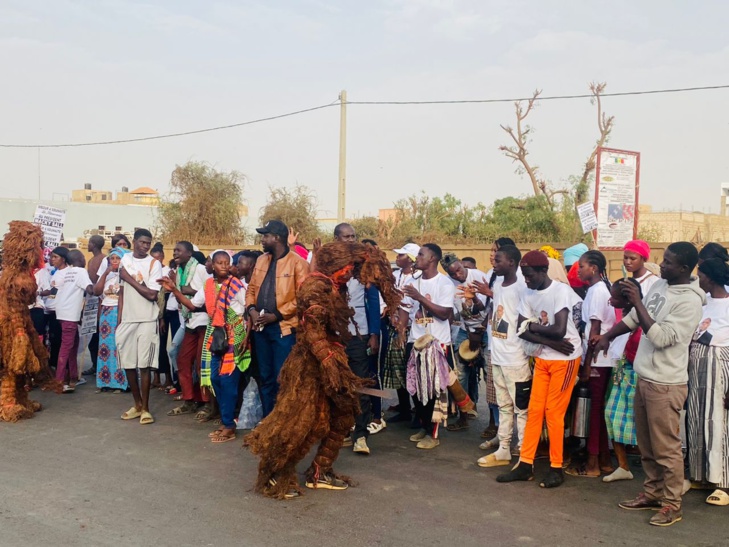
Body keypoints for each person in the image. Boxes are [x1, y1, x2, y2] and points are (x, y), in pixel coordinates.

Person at [245, 241, 400, 499]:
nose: (350, 272)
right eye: (348, 267)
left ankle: (320, 471)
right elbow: (314, 329)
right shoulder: (316, 287)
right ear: (335, 265)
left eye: (352, 267)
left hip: (329, 362)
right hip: (310, 367)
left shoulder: (332, 285)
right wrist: (330, 362)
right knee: (301, 422)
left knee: (343, 414)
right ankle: (274, 473)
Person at [593, 242, 704, 527]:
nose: (662, 265)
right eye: (663, 259)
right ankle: (653, 493)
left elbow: (662, 337)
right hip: (644, 377)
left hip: (666, 384)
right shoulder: (661, 286)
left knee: (666, 448)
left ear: (683, 268)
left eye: (668, 262)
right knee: (647, 445)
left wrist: (639, 302)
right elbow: (632, 320)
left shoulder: (690, 301)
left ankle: (671, 504)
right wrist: (607, 336)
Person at [496, 250, 582, 488]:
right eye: (524, 275)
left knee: (553, 413)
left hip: (565, 360)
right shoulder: (527, 292)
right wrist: (547, 340)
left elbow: (560, 330)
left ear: (543, 271)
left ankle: (556, 467)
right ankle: (525, 464)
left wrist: (534, 327)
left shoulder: (560, 291)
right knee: (534, 411)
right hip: (544, 355)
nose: (527, 280)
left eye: (530, 275)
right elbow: (521, 330)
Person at [161, 250, 250, 443]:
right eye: (219, 262)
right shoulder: (208, 285)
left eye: (227, 262)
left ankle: (229, 426)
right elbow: (193, 306)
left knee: (228, 382)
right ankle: (225, 421)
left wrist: (245, 337)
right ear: (213, 266)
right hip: (216, 336)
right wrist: (174, 290)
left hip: (234, 337)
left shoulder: (237, 285)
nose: (224, 266)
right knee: (215, 379)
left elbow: (248, 310)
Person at [246, 220, 309, 417]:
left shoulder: (299, 263)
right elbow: (251, 289)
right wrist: (252, 310)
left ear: (277, 238)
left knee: (283, 378)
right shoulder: (261, 260)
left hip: (284, 329)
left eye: (266, 236)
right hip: (261, 329)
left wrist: (278, 315)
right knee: (265, 377)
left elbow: (303, 298)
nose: (262, 240)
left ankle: (283, 423)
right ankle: (268, 421)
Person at [398, 243, 456, 450]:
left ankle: (434, 433)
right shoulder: (414, 282)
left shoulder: (444, 284)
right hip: (416, 340)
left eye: (421, 254)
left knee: (434, 391)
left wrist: (420, 298)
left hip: (436, 343)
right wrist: (401, 330)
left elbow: (444, 313)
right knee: (415, 387)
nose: (418, 258)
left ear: (433, 258)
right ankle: (423, 425)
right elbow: (405, 308)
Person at [477, 245, 530, 468]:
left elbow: (527, 320)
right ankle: (504, 449)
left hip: (516, 358)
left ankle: (525, 452)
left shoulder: (522, 287)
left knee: (522, 409)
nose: (494, 263)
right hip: (497, 355)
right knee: (504, 406)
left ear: (512, 262)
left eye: (498, 260)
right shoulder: (498, 284)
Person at [566, 250, 616, 478]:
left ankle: (593, 463)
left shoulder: (597, 292)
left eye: (582, 266)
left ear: (594, 268)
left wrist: (586, 366)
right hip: (599, 358)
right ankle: (604, 459)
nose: (578, 270)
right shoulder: (597, 289)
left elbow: (594, 331)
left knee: (594, 410)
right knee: (598, 410)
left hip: (597, 359)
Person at [333, 223, 380, 455]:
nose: (351, 240)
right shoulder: (328, 264)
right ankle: (340, 429)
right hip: (334, 335)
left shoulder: (365, 266)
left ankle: (361, 435)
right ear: (336, 238)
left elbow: (373, 302)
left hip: (359, 335)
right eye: (346, 236)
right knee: (337, 384)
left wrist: (374, 334)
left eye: (354, 236)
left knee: (361, 383)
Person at [686, 258, 729, 506]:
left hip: (719, 368)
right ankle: (701, 475)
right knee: (696, 420)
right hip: (698, 366)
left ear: (710, 278)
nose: (697, 279)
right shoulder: (703, 302)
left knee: (718, 424)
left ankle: (722, 481)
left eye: (700, 275)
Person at [117, 229, 163, 425]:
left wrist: (129, 278)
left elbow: (152, 295)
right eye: (142, 242)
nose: (145, 246)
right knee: (128, 364)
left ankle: (146, 408)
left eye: (148, 243)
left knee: (144, 365)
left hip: (146, 318)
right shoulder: (125, 260)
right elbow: (121, 292)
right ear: (134, 242)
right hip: (128, 319)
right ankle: (136, 404)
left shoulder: (154, 264)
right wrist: (120, 320)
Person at [441, 253, 489, 431]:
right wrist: (468, 333)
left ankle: (493, 423)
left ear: (461, 264)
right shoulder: (447, 283)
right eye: (453, 274)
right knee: (459, 375)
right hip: (464, 330)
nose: (458, 276)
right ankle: (464, 415)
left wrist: (479, 331)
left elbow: (487, 308)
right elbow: (456, 314)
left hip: (484, 329)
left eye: (459, 270)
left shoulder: (480, 276)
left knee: (488, 374)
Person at [602, 279, 643, 483]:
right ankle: (623, 466)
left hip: (639, 374)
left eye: (615, 297)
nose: (610, 300)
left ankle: (661, 472)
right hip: (622, 371)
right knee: (612, 414)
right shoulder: (624, 316)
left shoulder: (643, 317)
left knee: (645, 424)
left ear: (627, 300)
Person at [167, 241, 212, 419]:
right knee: (183, 360)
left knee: (202, 364)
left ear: (189, 253)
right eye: (175, 250)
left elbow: (209, 293)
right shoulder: (179, 271)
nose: (175, 253)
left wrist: (189, 292)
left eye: (179, 250)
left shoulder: (200, 269)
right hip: (189, 321)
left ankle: (207, 403)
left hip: (203, 320)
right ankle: (189, 399)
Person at [383, 243, 419, 423]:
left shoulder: (418, 277)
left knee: (410, 371)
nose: (397, 258)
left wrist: (402, 323)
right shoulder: (394, 276)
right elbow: (386, 297)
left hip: (411, 329)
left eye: (402, 255)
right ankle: (404, 409)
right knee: (398, 371)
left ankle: (417, 412)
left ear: (411, 259)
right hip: (394, 326)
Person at [53, 249, 95, 393]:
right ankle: (59, 381)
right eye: (83, 257)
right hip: (70, 314)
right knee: (66, 347)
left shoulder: (69, 272)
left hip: (63, 312)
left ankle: (73, 376)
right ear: (79, 259)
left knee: (73, 345)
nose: (85, 259)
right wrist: (103, 278)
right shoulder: (81, 272)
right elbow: (90, 290)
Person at [93, 247, 129, 393]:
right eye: (112, 258)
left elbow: (124, 298)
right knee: (104, 348)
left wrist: (121, 318)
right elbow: (97, 291)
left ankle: (120, 383)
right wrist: (105, 273)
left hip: (118, 312)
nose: (114, 261)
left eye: (117, 258)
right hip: (106, 313)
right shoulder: (108, 276)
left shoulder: (126, 276)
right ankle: (104, 381)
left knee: (117, 348)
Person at [83, 234, 106, 377]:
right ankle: (94, 365)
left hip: (100, 300)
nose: (88, 245)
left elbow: (99, 280)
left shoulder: (103, 259)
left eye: (90, 242)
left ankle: (100, 367)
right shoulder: (91, 260)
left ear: (95, 244)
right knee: (92, 336)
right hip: (91, 300)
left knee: (98, 337)